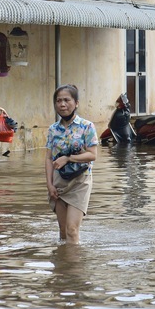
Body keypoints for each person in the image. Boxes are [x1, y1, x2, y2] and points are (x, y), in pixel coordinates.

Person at [45, 84, 98, 245]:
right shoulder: (53, 129)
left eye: (67, 100)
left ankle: (74, 269)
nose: (62, 104)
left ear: (76, 103)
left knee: (72, 230)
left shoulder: (87, 127)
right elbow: (48, 158)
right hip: (59, 181)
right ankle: (63, 267)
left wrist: (68, 159)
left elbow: (92, 155)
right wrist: (49, 185)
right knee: (62, 231)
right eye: (58, 101)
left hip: (80, 182)